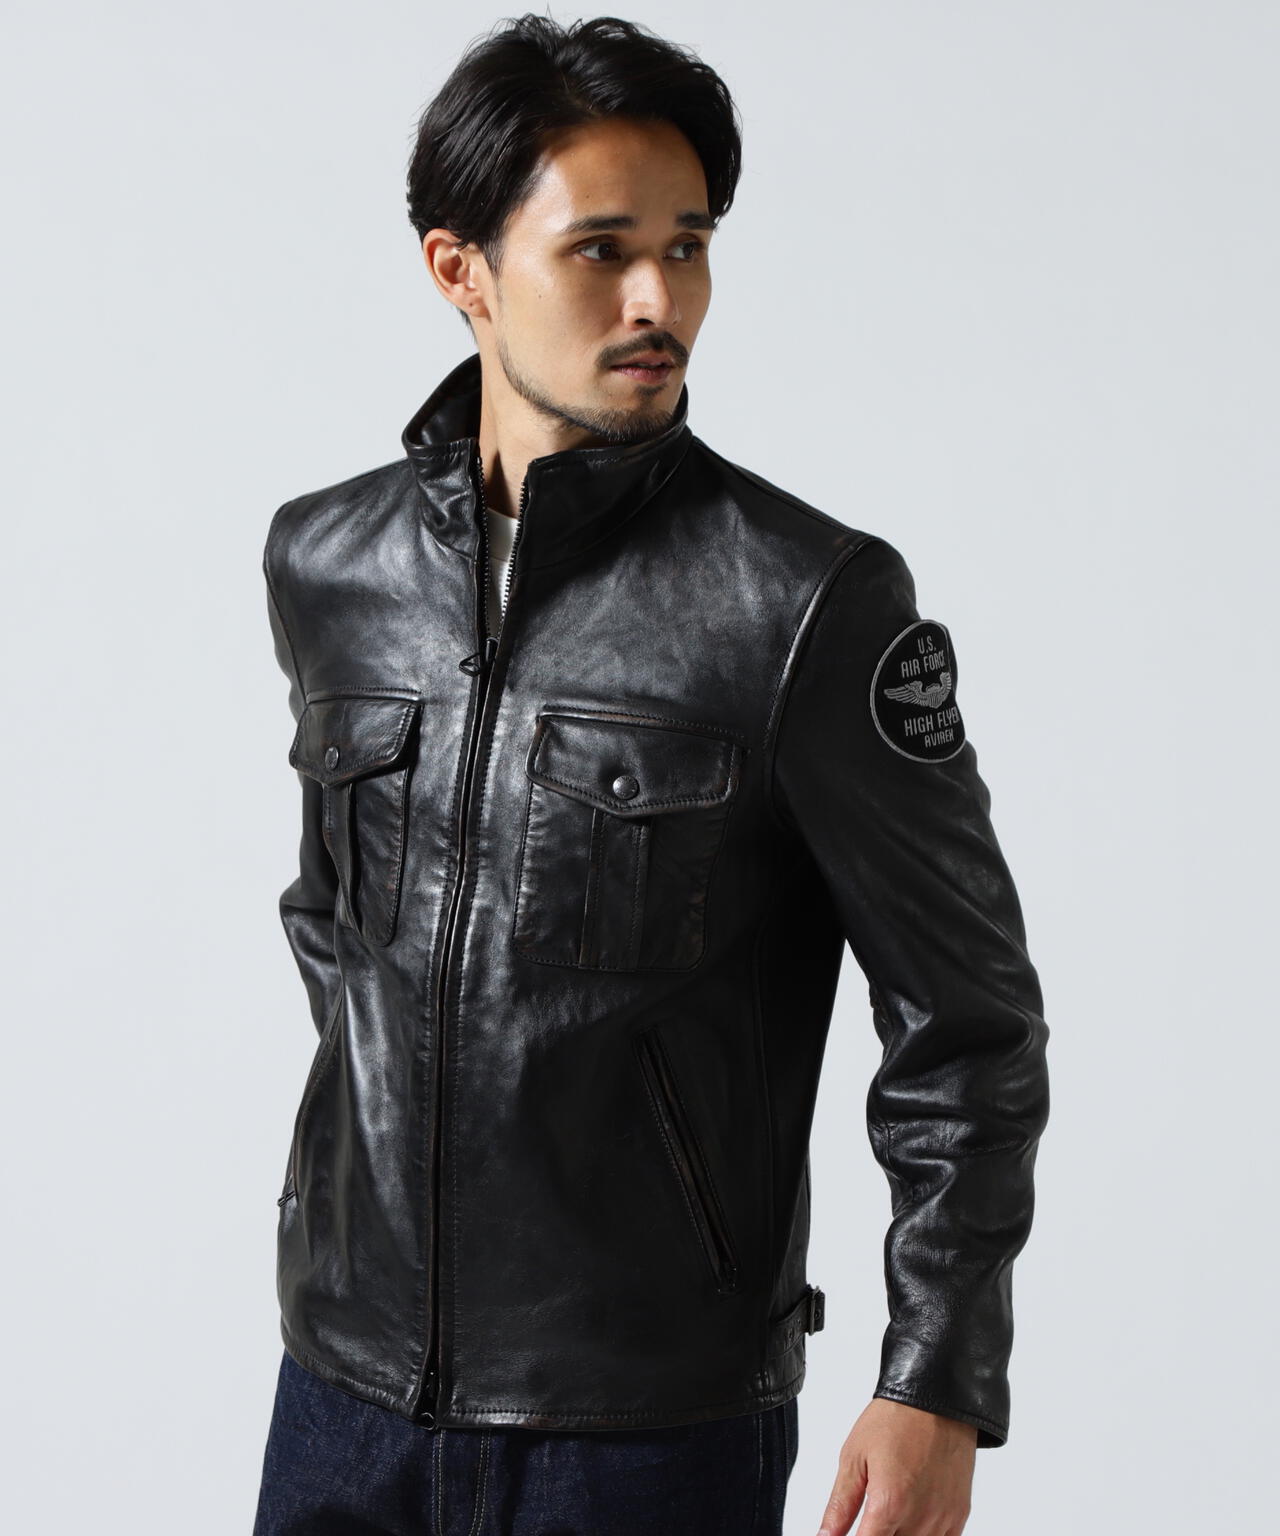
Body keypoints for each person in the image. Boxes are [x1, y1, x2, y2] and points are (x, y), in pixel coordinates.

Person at [251, 14, 1051, 1536]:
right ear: (461, 270)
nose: (656, 300)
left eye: (687, 248)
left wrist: (938, 1373)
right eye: (600, 250)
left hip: (646, 1431)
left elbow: (969, 1024)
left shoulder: (804, 605)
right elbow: (334, 922)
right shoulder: (329, 561)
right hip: (341, 1395)